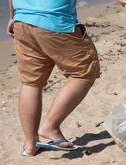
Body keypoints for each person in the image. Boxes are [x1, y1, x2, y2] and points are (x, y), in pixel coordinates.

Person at [7, 0, 100, 156]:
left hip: (22, 20)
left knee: (31, 82)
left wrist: (12, 17)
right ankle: (50, 126)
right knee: (85, 73)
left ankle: (30, 144)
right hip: (54, 21)